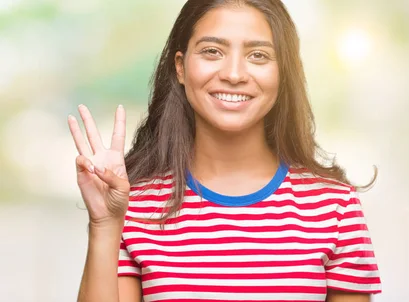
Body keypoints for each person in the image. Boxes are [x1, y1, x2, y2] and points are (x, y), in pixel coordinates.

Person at [67, 0, 381, 301]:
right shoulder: (131, 206)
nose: (233, 74)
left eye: (258, 55)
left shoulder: (334, 208)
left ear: (283, 72)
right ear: (180, 67)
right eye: (212, 51)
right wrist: (105, 225)